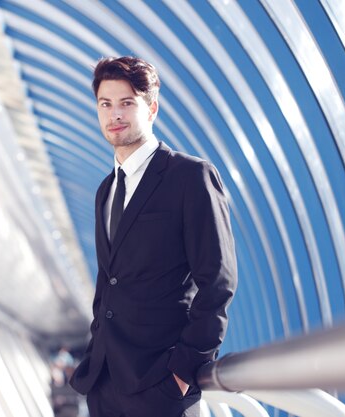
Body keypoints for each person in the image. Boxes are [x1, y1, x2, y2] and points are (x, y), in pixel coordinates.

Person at [69, 56, 237, 417]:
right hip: (104, 385)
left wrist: (183, 371)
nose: (115, 114)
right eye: (105, 104)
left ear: (152, 108)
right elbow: (108, 282)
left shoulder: (190, 177)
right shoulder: (105, 190)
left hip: (158, 384)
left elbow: (218, 281)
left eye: (127, 103)